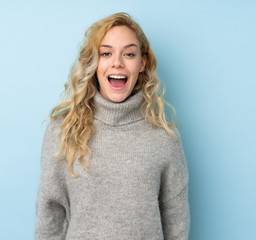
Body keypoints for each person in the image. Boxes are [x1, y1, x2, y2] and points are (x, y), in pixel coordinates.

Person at [35, 12, 190, 240]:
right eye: (106, 53)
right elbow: (50, 216)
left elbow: (176, 222)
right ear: (94, 62)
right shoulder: (62, 131)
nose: (117, 62)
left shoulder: (164, 138)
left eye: (128, 54)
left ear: (141, 63)